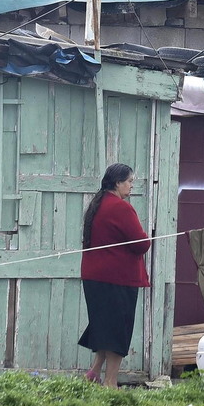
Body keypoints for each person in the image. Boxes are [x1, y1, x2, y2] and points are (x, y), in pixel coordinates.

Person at [79, 163, 151, 388]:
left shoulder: (97, 203)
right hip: (116, 278)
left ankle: (94, 372)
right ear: (118, 183)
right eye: (129, 181)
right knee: (117, 331)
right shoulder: (120, 208)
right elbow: (142, 244)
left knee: (104, 326)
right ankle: (110, 383)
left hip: (95, 277)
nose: (131, 185)